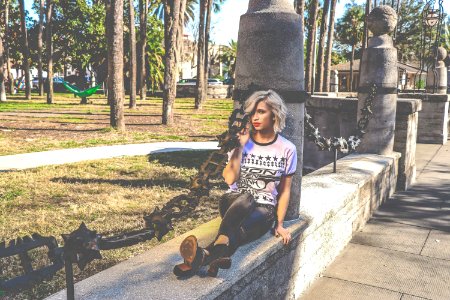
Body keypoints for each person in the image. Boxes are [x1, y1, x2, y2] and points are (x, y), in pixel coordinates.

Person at [173, 90, 297, 277]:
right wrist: (239, 147)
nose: (255, 117)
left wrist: (279, 224)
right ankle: (211, 255)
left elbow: (285, 190)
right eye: (252, 112)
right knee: (246, 196)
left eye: (261, 112)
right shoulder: (240, 143)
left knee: (238, 230)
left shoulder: (287, 148)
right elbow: (230, 179)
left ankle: (207, 255)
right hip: (232, 201)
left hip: (263, 210)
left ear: (275, 114)